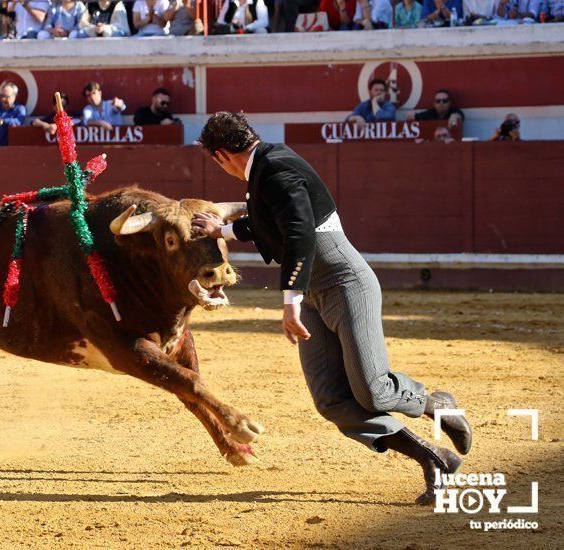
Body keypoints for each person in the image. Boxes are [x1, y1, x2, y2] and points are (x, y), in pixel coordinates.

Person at [192, 112, 473, 506]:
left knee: (373, 389)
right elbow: (269, 221)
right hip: (314, 293)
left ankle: (435, 402)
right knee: (332, 399)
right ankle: (434, 459)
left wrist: (289, 301)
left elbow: (298, 234)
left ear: (221, 155)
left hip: (344, 284)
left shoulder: (274, 169)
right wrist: (220, 231)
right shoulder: (266, 169)